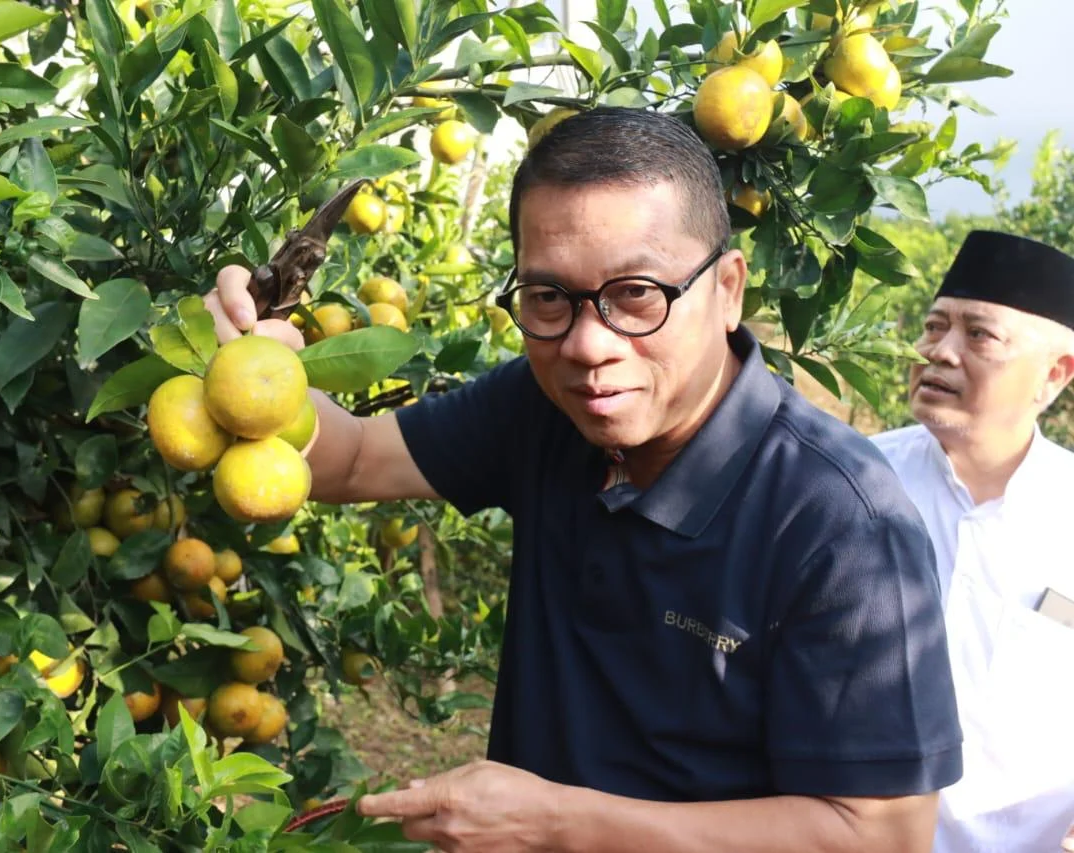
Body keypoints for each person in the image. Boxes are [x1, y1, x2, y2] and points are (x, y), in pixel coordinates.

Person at [205, 108, 963, 852]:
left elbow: (884, 834)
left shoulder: (842, 523)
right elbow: (351, 457)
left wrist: (558, 824)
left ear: (728, 289)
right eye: (549, 298)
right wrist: (255, 360)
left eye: (637, 293)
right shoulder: (543, 408)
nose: (588, 344)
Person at [870, 230, 1074, 853]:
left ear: (1055, 374)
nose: (940, 351)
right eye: (935, 328)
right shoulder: (853, 484)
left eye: (979, 334)